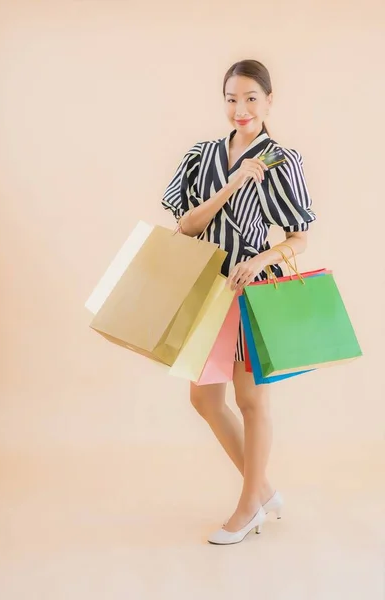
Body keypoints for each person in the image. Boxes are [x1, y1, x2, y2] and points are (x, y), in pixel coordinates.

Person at [161, 59, 316, 545]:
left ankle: (249, 506)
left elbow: (300, 237)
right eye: (232, 98)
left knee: (251, 399)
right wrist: (233, 183)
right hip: (206, 288)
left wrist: (263, 257)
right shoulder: (200, 154)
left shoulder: (281, 161)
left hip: (252, 288)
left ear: (269, 101)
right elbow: (184, 225)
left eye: (251, 98)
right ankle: (264, 489)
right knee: (204, 397)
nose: (241, 108)